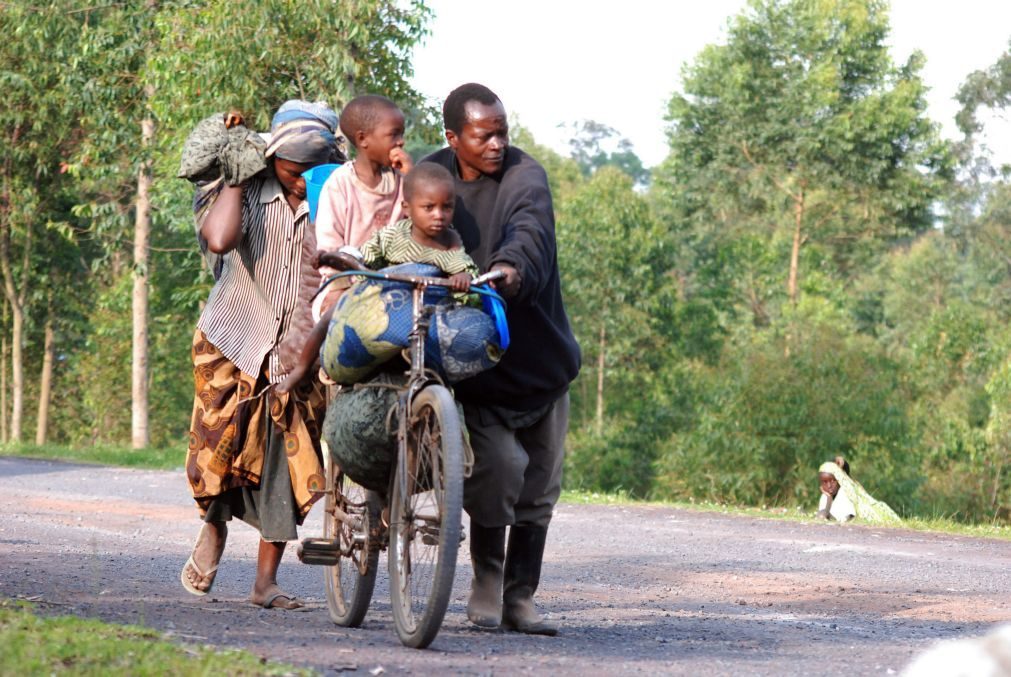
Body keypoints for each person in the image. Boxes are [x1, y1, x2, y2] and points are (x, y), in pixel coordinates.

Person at [423, 83, 581, 636]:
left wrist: (512, 268)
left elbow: (530, 233)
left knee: (539, 488)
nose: (496, 144)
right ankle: (486, 582)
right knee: (498, 475)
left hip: (541, 365)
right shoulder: (432, 179)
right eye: (482, 135)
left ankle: (521, 598)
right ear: (453, 138)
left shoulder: (524, 175)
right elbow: (408, 235)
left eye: (502, 132)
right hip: (479, 371)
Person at [180, 100, 343, 610]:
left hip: (300, 351)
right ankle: (213, 527)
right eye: (293, 170)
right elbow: (221, 238)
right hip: (234, 340)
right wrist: (236, 172)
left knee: (285, 468)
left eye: (314, 171)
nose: (302, 181)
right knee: (221, 456)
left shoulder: (335, 200)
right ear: (272, 160)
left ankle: (263, 584)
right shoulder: (247, 188)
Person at [276, 162, 479, 393]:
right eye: (429, 207)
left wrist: (463, 277)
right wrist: (337, 259)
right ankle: (302, 368)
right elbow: (364, 256)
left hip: (425, 307)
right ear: (407, 208)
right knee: (332, 314)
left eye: (447, 208)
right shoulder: (394, 235)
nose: (439, 215)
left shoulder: (449, 242)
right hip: (382, 300)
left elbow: (464, 266)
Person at [313, 94, 413, 316]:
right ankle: (309, 352)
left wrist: (413, 179)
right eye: (393, 134)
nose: (401, 142)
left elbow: (422, 225)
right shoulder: (340, 184)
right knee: (335, 316)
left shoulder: (402, 182)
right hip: (344, 281)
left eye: (402, 134)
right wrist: (341, 286)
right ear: (363, 139)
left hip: (394, 283)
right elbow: (329, 246)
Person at [816, 457, 901, 525]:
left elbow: (841, 521)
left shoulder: (846, 494)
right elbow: (822, 517)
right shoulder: (825, 496)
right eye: (825, 482)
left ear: (839, 479)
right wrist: (829, 499)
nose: (829, 486)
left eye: (833, 481)